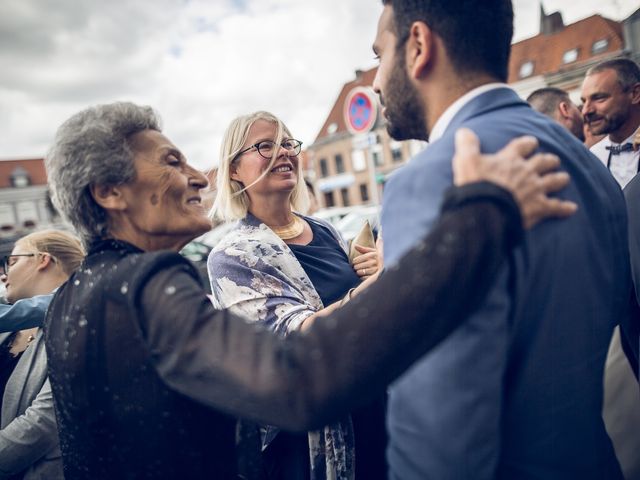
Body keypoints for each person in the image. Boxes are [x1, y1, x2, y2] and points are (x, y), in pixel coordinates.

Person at [43, 101, 574, 479]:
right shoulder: (148, 285)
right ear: (110, 192)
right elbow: (295, 377)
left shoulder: (72, 298)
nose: (198, 177)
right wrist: (480, 217)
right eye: (172, 162)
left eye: (288, 144)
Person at [371, 1, 629, 479]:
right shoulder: (591, 165)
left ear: (419, 47)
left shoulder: (430, 180)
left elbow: (437, 441)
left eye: (379, 55)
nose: (375, 81)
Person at [208, 111, 384, 480]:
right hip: (310, 443)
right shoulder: (232, 256)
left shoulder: (323, 230)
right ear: (234, 170)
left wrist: (374, 266)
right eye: (264, 146)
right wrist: (383, 284)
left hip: (375, 412)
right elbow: (297, 339)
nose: (283, 152)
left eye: (288, 143)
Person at [0, 230, 84, 479]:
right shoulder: (11, 327)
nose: (4, 274)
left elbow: (45, 422)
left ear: (42, 259)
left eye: (12, 262)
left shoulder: (79, 321)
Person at [581, 58, 640, 187]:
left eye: (599, 98)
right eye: (583, 101)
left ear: (635, 94)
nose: (586, 110)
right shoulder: (594, 156)